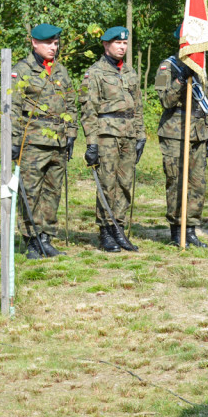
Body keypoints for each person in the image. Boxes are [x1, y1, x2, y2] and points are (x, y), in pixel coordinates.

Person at [10, 23, 76, 259]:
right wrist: (15, 140)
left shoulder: (60, 70)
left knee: (52, 191)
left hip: (57, 140)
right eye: (48, 43)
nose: (53, 48)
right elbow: (13, 108)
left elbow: (70, 103)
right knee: (30, 191)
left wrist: (71, 133)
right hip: (33, 140)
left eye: (56, 43)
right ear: (34, 43)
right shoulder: (21, 70)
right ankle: (31, 240)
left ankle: (45, 237)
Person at [80, 26, 143, 253]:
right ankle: (106, 232)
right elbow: (89, 109)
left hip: (128, 133)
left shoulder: (130, 72)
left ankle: (119, 228)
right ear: (106, 45)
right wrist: (92, 142)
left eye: (125, 44)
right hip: (107, 134)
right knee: (107, 184)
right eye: (117, 43)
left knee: (125, 184)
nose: (122, 47)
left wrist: (141, 134)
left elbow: (138, 107)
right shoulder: (95, 72)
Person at [153, 26, 208, 248]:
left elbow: (207, 103)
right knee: (177, 182)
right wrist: (180, 80)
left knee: (197, 184)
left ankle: (191, 229)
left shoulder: (200, 68)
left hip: (198, 131)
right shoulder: (167, 67)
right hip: (175, 132)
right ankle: (176, 230)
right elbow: (166, 101)